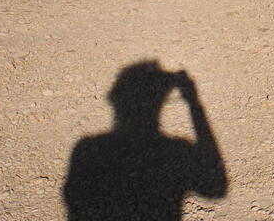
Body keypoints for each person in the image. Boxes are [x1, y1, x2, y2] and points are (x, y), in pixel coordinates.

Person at [63, 60, 228, 221]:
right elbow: (216, 188)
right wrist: (193, 103)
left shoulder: (88, 150)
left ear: (114, 98)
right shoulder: (175, 152)